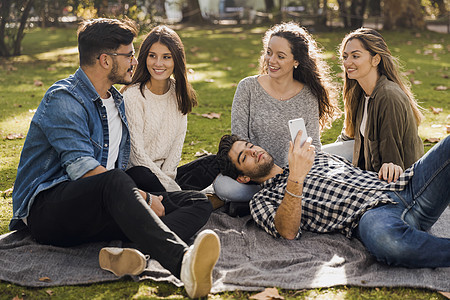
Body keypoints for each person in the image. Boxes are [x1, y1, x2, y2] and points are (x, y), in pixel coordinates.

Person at [10, 18, 220, 298]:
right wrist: (143, 198)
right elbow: (84, 171)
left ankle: (132, 254)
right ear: (106, 60)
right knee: (118, 181)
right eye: (130, 54)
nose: (136, 61)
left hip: (101, 205)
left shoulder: (116, 101)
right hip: (49, 212)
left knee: (194, 202)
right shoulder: (63, 99)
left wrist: (143, 194)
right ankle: (183, 264)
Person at [216, 133, 450, 268]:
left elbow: (360, 173)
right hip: (371, 216)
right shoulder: (262, 200)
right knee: (386, 242)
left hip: (402, 187)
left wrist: (389, 167)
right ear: (243, 177)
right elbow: (287, 231)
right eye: (244, 156)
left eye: (250, 146)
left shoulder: (315, 157)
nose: (254, 151)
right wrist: (296, 176)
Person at [214, 22, 339, 206]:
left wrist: (296, 177)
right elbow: (238, 140)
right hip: (258, 177)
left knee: (339, 158)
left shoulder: (308, 95)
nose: (271, 61)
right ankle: (279, 197)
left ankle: (281, 197)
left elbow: (314, 147)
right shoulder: (247, 88)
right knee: (224, 186)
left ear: (296, 61)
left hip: (297, 176)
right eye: (269, 52)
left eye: (280, 56)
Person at [122, 25, 219, 193]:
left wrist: (169, 181)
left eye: (166, 57)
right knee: (142, 173)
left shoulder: (178, 92)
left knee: (214, 162)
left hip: (165, 177)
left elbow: (176, 146)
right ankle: (180, 200)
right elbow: (135, 156)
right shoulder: (133, 96)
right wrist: (173, 190)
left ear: (176, 60)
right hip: (138, 176)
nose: (158, 63)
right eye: (152, 56)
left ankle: (173, 200)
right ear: (145, 57)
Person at [338, 28, 424, 178]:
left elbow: (392, 167)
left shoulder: (388, 97)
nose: (347, 62)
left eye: (355, 56)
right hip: (369, 178)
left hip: (400, 188)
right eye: (345, 56)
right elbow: (348, 139)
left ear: (375, 60)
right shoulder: (360, 94)